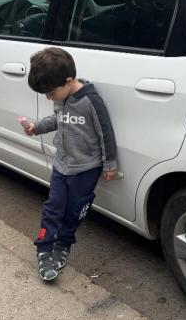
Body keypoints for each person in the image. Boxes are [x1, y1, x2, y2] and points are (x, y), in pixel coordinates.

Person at [21, 47, 118, 282]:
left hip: (85, 169)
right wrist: (37, 127)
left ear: (68, 81)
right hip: (61, 164)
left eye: (50, 92)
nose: (48, 98)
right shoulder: (61, 98)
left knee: (74, 211)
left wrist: (110, 164)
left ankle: (63, 244)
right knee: (53, 206)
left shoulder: (90, 102)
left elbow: (105, 132)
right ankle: (44, 248)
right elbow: (58, 119)